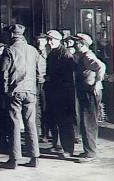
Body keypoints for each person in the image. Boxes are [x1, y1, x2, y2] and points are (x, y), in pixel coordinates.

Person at [1, 24, 40, 169]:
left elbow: (4, 73)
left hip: (15, 91)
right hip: (31, 91)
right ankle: (34, 158)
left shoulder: (9, 50)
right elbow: (40, 71)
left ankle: (14, 159)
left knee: (14, 124)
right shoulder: (33, 50)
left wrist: (6, 90)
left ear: (12, 35)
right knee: (31, 124)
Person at [73, 33, 106, 163]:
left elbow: (101, 66)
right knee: (87, 121)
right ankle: (88, 150)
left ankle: (90, 153)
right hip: (86, 91)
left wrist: (97, 83)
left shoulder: (87, 56)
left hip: (90, 92)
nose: (75, 45)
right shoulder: (83, 56)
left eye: (76, 43)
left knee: (89, 122)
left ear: (81, 44)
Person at [45, 30, 76, 158]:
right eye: (48, 39)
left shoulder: (65, 54)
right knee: (55, 119)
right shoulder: (53, 53)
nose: (49, 42)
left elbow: (67, 75)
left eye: (52, 39)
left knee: (65, 121)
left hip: (63, 92)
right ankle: (59, 145)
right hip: (54, 91)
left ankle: (68, 149)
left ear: (59, 41)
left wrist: (51, 78)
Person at [35, 34, 49, 143]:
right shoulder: (33, 52)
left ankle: (45, 134)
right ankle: (35, 134)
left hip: (46, 84)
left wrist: (46, 78)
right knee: (35, 109)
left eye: (42, 41)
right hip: (34, 83)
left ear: (46, 42)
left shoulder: (49, 53)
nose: (40, 43)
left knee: (45, 109)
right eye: (38, 41)